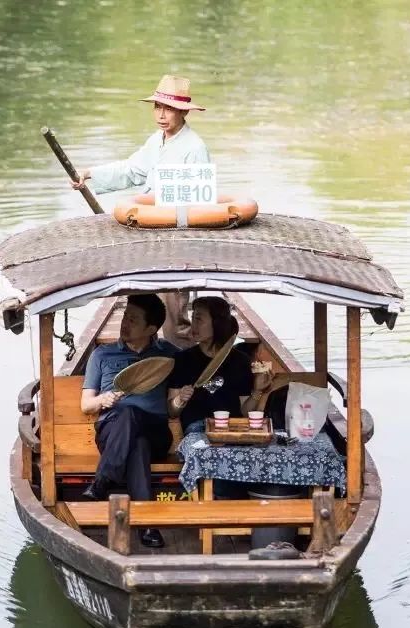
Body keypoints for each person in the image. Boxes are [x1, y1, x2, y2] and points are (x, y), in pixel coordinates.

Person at [70, 74, 210, 348]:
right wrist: (89, 174)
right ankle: (146, 364)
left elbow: (196, 205)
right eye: (157, 107)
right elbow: (132, 170)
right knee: (143, 305)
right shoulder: (157, 140)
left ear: (182, 111)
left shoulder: (194, 148)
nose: (161, 114)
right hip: (148, 235)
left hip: (176, 241)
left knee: (173, 318)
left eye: (168, 109)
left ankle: (182, 375)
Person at [80, 293, 178, 548]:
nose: (125, 323)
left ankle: (103, 480)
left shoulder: (168, 355)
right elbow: (86, 405)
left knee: (136, 422)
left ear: (152, 329)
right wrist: (104, 399)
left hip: (156, 430)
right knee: (136, 441)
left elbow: (200, 368)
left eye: (133, 320)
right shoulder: (102, 354)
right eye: (125, 316)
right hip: (112, 431)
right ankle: (148, 526)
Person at [166, 297, 272, 435]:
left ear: (217, 323)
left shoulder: (240, 361)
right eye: (193, 318)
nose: (193, 325)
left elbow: (245, 412)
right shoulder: (182, 359)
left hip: (233, 428)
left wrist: (258, 391)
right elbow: (172, 412)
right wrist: (179, 399)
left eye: (199, 319)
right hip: (198, 429)